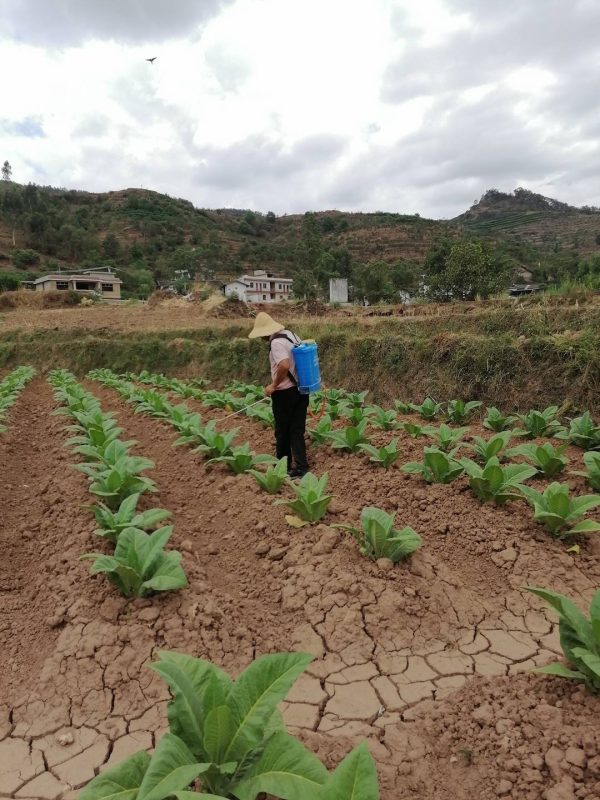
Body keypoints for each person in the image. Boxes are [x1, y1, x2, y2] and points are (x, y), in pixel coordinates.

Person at [248, 312, 309, 477]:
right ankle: (302, 468)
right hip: (302, 389)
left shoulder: (275, 342)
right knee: (296, 430)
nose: (261, 339)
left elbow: (284, 365)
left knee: (282, 431)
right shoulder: (291, 335)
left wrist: (273, 385)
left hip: (285, 393)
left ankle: (284, 466)